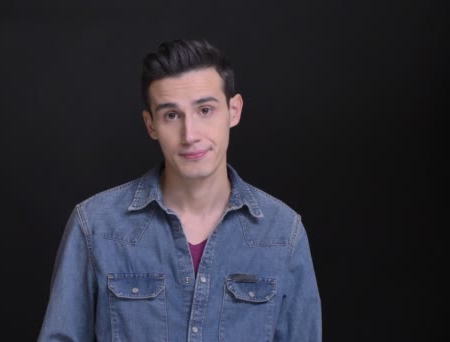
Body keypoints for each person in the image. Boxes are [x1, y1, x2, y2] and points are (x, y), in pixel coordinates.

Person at [37, 39, 322, 341]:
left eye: (205, 110)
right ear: (151, 125)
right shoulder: (94, 226)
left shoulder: (283, 233)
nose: (190, 135)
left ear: (234, 110)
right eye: (171, 115)